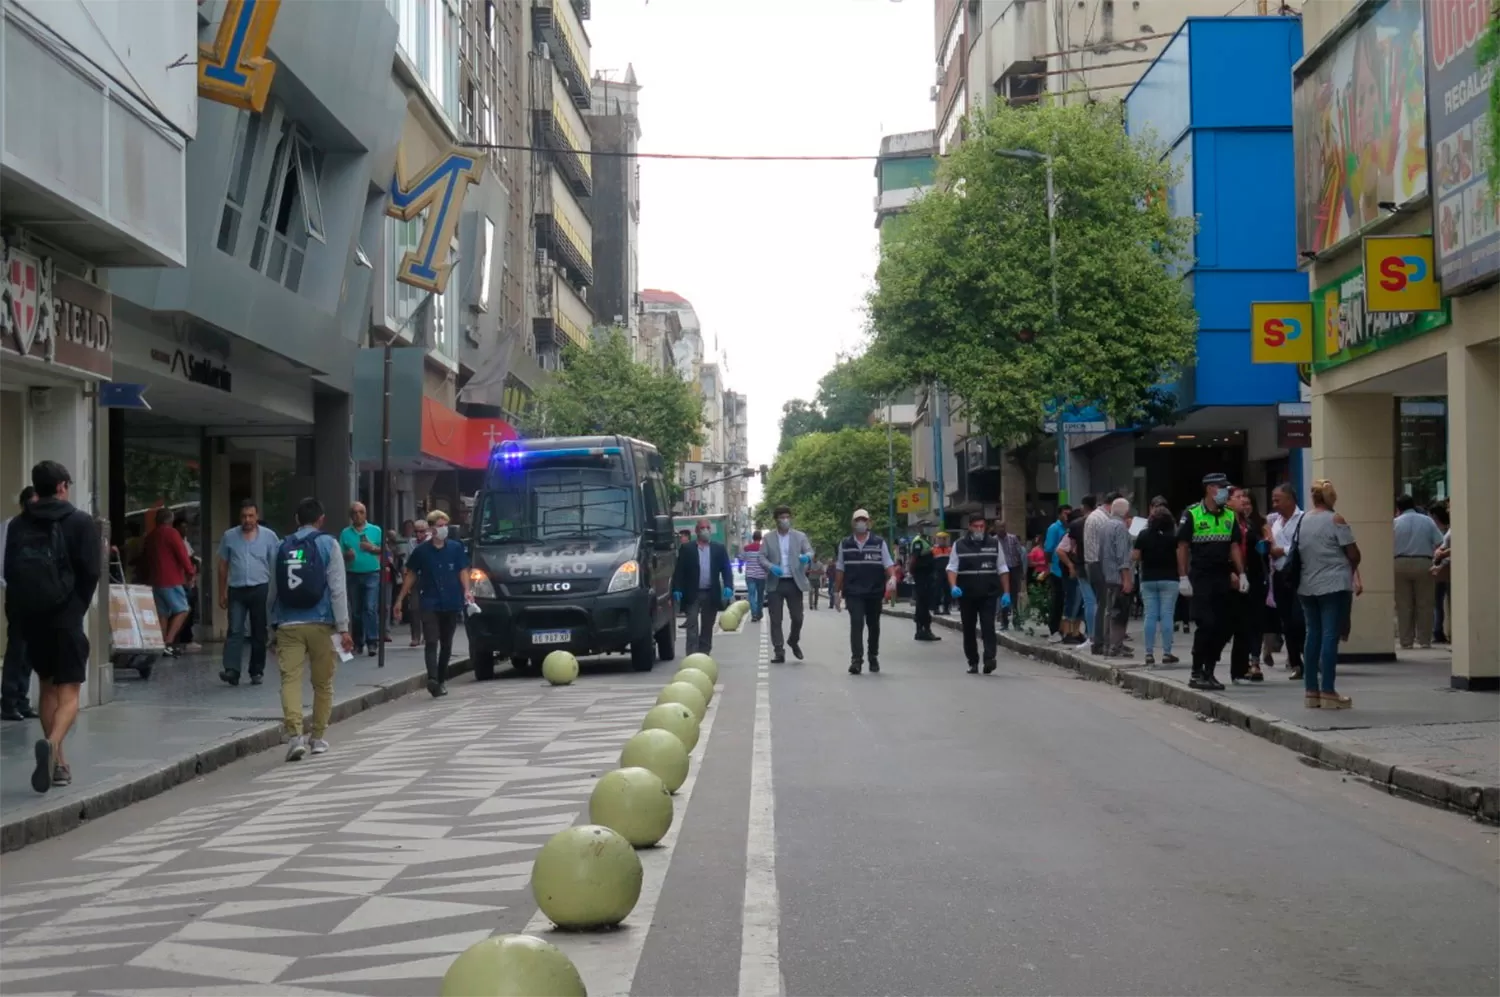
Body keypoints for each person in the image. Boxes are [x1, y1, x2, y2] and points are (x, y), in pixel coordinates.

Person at [3, 461, 101, 792]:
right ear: (61, 486)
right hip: (66, 616)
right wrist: (76, 608)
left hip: (31, 619)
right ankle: (52, 742)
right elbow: (91, 572)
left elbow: (11, 573)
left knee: (45, 686)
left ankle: (59, 763)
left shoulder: (18, 524)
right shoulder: (81, 522)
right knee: (69, 692)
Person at [272, 496, 352, 761]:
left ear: (296, 520)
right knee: (323, 683)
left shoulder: (280, 546)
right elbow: (338, 589)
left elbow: (272, 590)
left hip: (288, 624)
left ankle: (295, 736)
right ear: (321, 520)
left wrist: (269, 625)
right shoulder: (329, 544)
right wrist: (344, 627)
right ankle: (317, 738)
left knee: (290, 680)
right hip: (322, 624)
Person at [1176, 473, 1246, 691]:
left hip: (1222, 576)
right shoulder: (1193, 514)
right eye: (1221, 487)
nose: (1225, 492)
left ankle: (1210, 670)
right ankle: (1197, 672)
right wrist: (1183, 577)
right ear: (1209, 489)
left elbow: (1234, 546)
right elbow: (1182, 546)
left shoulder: (1229, 516)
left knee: (1223, 626)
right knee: (1206, 624)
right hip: (1200, 576)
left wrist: (1241, 573)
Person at [1297, 479, 1360, 710]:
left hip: (1306, 585)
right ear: (1332, 497)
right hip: (1333, 585)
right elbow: (1353, 553)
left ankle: (1311, 690)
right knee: (1330, 636)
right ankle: (1328, 691)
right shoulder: (1336, 520)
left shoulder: (1302, 520)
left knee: (1312, 633)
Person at [395, 509, 472, 697]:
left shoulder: (455, 548)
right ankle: (432, 678)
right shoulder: (422, 552)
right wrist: (400, 599)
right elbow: (411, 574)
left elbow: (463, 570)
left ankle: (442, 678)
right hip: (429, 600)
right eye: (439, 525)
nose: (443, 529)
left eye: (445, 525)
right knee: (431, 640)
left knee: (446, 643)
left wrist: (467, 591)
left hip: (451, 601)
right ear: (432, 528)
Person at [216, 499, 280, 687]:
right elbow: (222, 566)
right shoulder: (229, 536)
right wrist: (222, 592)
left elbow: (276, 564)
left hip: (260, 588)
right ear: (239, 517)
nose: (247, 519)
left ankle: (256, 670)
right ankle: (232, 670)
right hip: (236, 588)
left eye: (251, 516)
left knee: (258, 631)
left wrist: (277, 592)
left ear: (257, 516)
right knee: (235, 629)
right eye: (244, 516)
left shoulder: (269, 537)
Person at [946, 512, 1012, 674]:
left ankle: (989, 659)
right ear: (969, 527)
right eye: (976, 526)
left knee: (987, 626)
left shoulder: (994, 544)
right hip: (967, 594)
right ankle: (972, 661)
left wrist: (1007, 592)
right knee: (968, 628)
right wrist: (953, 586)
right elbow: (952, 568)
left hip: (988, 594)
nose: (979, 529)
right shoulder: (959, 545)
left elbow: (1002, 568)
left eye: (982, 526)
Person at [836, 509, 896, 675]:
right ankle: (856, 659)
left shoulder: (878, 543)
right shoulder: (845, 544)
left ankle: (873, 655)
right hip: (853, 592)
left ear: (869, 522)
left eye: (864, 520)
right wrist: (836, 592)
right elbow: (840, 568)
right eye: (857, 520)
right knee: (856, 623)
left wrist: (892, 578)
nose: (861, 523)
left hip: (874, 591)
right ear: (853, 523)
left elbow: (888, 563)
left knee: (873, 625)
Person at [1, 485, 40, 721]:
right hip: (18, 595)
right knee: (17, 648)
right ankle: (8, 700)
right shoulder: (10, 526)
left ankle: (22, 699)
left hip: (37, 596)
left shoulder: (40, 528)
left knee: (31, 650)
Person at [757, 506, 813, 663]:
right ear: (776, 520)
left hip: (794, 582)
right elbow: (761, 557)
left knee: (798, 617)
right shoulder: (768, 538)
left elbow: (809, 551)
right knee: (776, 619)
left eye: (788, 517)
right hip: (776, 582)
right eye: (782, 517)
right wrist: (770, 567)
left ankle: (793, 640)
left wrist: (807, 557)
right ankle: (779, 650)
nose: (785, 520)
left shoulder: (799, 536)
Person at [673, 518, 734, 656]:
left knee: (707, 625)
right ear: (696, 531)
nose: (705, 530)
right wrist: (677, 588)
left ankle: (704, 653)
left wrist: (728, 585)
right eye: (702, 528)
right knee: (692, 624)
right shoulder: (687, 549)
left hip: (710, 593)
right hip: (693, 593)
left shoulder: (718, 549)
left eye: (707, 527)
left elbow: (726, 569)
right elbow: (679, 570)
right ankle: (692, 654)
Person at [1392, 494, 1444, 650]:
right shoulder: (1427, 521)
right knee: (1425, 603)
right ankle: (1424, 640)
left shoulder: (1395, 523)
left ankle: (1406, 641)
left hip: (1399, 562)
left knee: (1403, 604)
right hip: (1423, 562)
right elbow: (1440, 542)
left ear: (1398, 508)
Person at [1227, 487, 1268, 683]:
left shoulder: (1250, 524)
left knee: (1249, 624)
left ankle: (1241, 667)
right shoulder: (1225, 522)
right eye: (1239, 497)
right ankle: (1205, 665)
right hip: (1233, 577)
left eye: (1245, 497)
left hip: (1253, 577)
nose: (1243, 501)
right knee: (1229, 625)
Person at [1267, 482, 1307, 680]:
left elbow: (1302, 547)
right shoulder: (1275, 522)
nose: (1274, 504)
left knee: (1299, 619)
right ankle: (1295, 662)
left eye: (1277, 500)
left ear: (1290, 499)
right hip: (1279, 575)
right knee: (1286, 622)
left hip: (1297, 576)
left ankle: (1308, 656)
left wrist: (1280, 550)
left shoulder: (1303, 520)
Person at [143, 506, 195, 656]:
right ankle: (168, 642)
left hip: (155, 580)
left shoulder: (151, 536)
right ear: (171, 520)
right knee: (183, 609)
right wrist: (190, 572)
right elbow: (182, 555)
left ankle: (160, 644)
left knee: (162, 613)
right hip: (171, 579)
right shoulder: (172, 534)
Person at [1133, 502, 1180, 666]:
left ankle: (1148, 653)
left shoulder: (1144, 534)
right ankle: (1167, 652)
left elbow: (1136, 556)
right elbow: (1180, 557)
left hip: (1148, 579)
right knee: (1167, 615)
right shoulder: (1174, 537)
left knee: (1150, 615)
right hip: (1170, 578)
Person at [339, 502, 383, 656]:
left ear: (365, 514)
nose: (358, 515)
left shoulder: (376, 530)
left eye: (361, 512)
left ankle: (372, 641)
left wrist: (373, 548)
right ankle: (358, 642)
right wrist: (347, 556)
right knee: (356, 610)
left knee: (370, 607)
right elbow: (339, 555)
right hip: (353, 573)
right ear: (351, 515)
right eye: (354, 513)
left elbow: (387, 551)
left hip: (372, 573)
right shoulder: (345, 533)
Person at [908, 525, 940, 641]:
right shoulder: (918, 542)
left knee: (923, 603)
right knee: (923, 603)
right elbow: (914, 559)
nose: (927, 529)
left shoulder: (925, 541)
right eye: (925, 527)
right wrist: (912, 572)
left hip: (927, 576)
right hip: (922, 577)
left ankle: (922, 630)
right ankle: (924, 630)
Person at [995, 521, 1025, 631]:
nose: (1001, 529)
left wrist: (1022, 572)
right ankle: (1004, 622)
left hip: (1014, 569)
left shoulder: (1013, 538)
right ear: (996, 528)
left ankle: (1017, 622)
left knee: (1014, 597)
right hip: (1000, 572)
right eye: (999, 527)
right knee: (1003, 597)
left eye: (1003, 527)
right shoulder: (993, 541)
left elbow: (1020, 554)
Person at [1430, 503, 1452, 645]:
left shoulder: (1447, 531)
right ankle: (1438, 630)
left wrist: (1440, 556)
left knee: (1439, 602)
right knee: (1440, 601)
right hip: (1443, 567)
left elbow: (1448, 550)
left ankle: (1438, 630)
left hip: (1445, 567)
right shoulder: (1448, 529)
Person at [743, 530, 768, 622]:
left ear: (753, 538)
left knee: (752, 595)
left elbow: (742, 558)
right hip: (761, 576)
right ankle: (759, 613)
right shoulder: (763, 548)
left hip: (750, 576)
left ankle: (754, 614)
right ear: (760, 538)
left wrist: (740, 566)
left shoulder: (747, 548)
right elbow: (766, 562)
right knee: (760, 595)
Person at [931, 531, 953, 615]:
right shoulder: (933, 550)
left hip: (947, 573)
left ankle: (946, 608)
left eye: (944, 539)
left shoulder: (950, 550)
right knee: (937, 591)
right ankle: (936, 608)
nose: (942, 540)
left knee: (947, 591)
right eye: (940, 539)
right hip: (937, 573)